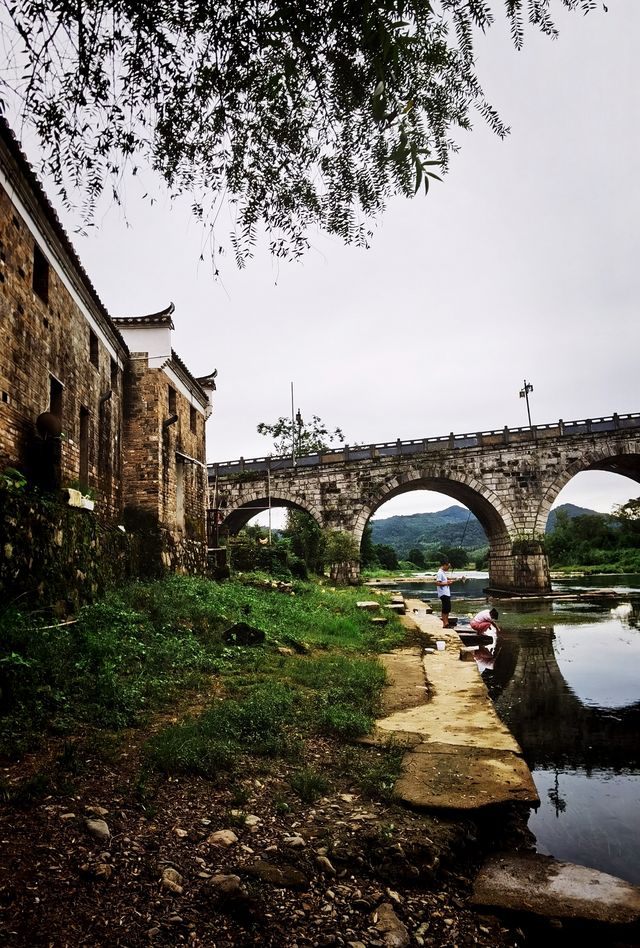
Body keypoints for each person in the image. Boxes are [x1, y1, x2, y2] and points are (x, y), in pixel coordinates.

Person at [435, 559, 462, 628]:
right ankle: (445, 623)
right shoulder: (440, 573)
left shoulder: (443, 572)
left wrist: (448, 582)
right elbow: (438, 583)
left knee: (447, 608)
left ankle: (446, 622)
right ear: (444, 565)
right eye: (448, 567)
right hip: (443, 593)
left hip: (446, 593)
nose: (448, 568)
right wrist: (447, 582)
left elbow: (443, 582)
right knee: (445, 608)